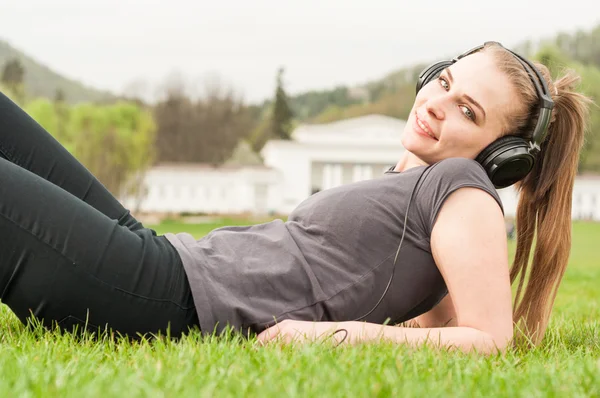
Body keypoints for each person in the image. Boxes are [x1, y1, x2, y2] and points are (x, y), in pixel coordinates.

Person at [0, 42, 591, 354]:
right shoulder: (408, 186)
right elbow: (425, 315)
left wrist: (334, 335)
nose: (438, 102)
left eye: (468, 110)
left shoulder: (464, 192)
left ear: (501, 158)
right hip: (165, 256)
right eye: (445, 81)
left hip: (165, 296)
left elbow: (488, 338)